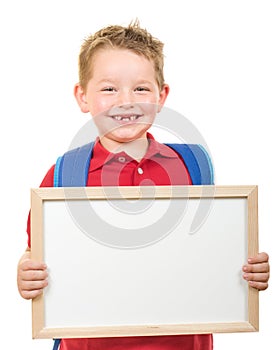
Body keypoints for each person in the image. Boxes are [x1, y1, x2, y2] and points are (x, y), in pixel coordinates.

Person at [17, 20, 270, 350]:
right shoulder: (63, 175)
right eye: (109, 89)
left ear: (161, 96)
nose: (126, 101)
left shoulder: (192, 168)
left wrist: (249, 272)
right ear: (82, 96)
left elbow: (211, 254)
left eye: (141, 88)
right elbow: (36, 254)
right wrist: (26, 273)